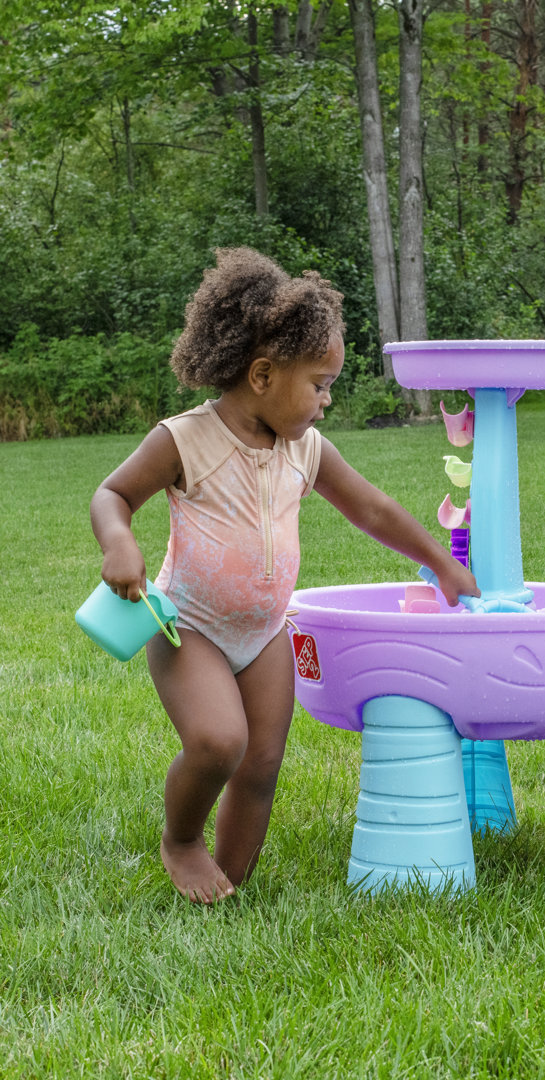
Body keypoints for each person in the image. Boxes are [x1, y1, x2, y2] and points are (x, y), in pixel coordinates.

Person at [90, 247, 479, 904]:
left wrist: (440, 562)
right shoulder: (185, 440)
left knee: (262, 762)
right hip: (192, 626)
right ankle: (182, 841)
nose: (327, 401)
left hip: (266, 629)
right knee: (219, 742)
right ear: (264, 375)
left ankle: (229, 883)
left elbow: (371, 508)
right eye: (320, 383)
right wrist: (119, 543)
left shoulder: (306, 447)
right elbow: (113, 495)